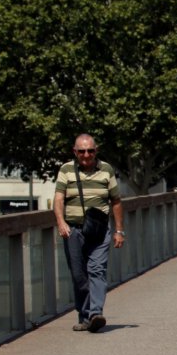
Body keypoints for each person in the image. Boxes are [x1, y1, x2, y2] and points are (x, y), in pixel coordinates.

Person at [53, 133, 126, 333]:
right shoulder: (66, 170)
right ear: (75, 152)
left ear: (96, 150)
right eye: (82, 151)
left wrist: (119, 230)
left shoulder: (106, 170)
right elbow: (58, 199)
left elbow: (116, 201)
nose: (86, 155)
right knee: (78, 275)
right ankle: (84, 316)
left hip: (100, 229)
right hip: (73, 229)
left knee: (96, 269)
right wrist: (60, 222)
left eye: (90, 151)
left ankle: (95, 313)